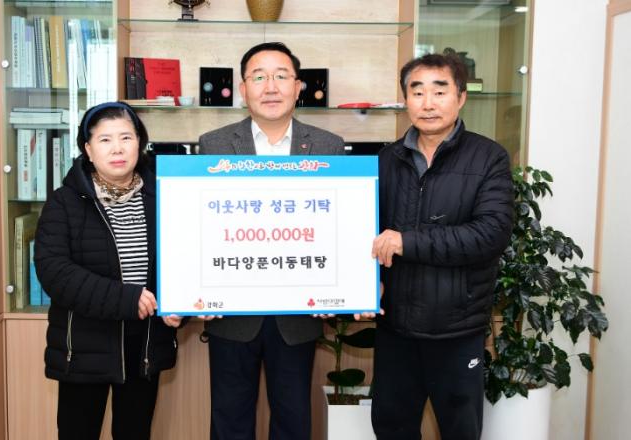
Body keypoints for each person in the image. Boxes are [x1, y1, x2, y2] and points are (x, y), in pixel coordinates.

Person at [197, 42, 345, 440]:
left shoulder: (329, 146)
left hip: (298, 316)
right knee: (229, 420)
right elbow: (201, 227)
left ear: (298, 86)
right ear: (243, 89)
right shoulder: (213, 144)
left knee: (293, 420)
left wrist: (337, 289)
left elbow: (338, 227)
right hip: (231, 312)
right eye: (259, 77)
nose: (271, 86)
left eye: (281, 76)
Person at [370, 54, 514, 439]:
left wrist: (407, 241)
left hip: (456, 328)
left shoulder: (488, 158)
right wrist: (364, 286)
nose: (428, 103)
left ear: (461, 97)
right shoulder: (387, 159)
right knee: (391, 428)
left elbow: (489, 235)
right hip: (396, 328)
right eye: (417, 92)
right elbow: (367, 233)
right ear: (405, 99)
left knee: (459, 430)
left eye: (440, 91)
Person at [34, 101, 182, 440]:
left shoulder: (164, 197)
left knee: (135, 432)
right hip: (84, 346)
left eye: (126, 137)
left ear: (140, 143)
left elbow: (181, 261)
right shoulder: (64, 202)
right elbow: (55, 272)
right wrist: (126, 299)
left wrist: (181, 308)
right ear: (88, 149)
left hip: (144, 344)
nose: (117, 148)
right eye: (105, 139)